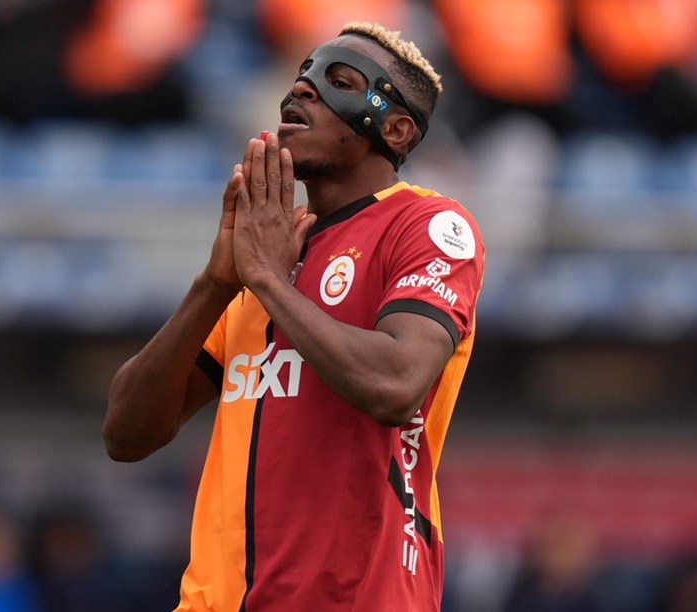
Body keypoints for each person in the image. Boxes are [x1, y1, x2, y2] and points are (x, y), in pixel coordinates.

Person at [103, 21, 485, 611]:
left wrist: (267, 280)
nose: (302, 89)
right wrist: (215, 284)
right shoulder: (270, 251)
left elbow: (395, 385)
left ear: (395, 128)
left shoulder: (426, 225)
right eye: (303, 76)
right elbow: (127, 434)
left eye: (340, 82)